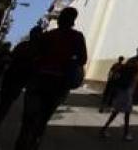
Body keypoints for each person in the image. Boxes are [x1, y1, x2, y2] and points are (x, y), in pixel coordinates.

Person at [14, 8, 87, 150]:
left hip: (39, 80)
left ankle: (23, 142)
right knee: (43, 118)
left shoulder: (48, 36)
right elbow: (82, 59)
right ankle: (34, 141)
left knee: (29, 117)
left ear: (59, 20)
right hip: (59, 84)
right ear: (73, 21)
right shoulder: (77, 37)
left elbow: (33, 54)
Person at [0, 27, 42, 140]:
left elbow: (13, 58)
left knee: (5, 102)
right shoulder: (33, 48)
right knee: (6, 102)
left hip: (16, 78)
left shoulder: (27, 47)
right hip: (16, 78)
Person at [100, 45, 138, 141]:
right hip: (126, 89)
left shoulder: (137, 61)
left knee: (121, 111)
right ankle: (124, 133)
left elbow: (135, 77)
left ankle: (107, 129)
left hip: (129, 89)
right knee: (124, 112)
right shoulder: (133, 61)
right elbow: (128, 73)